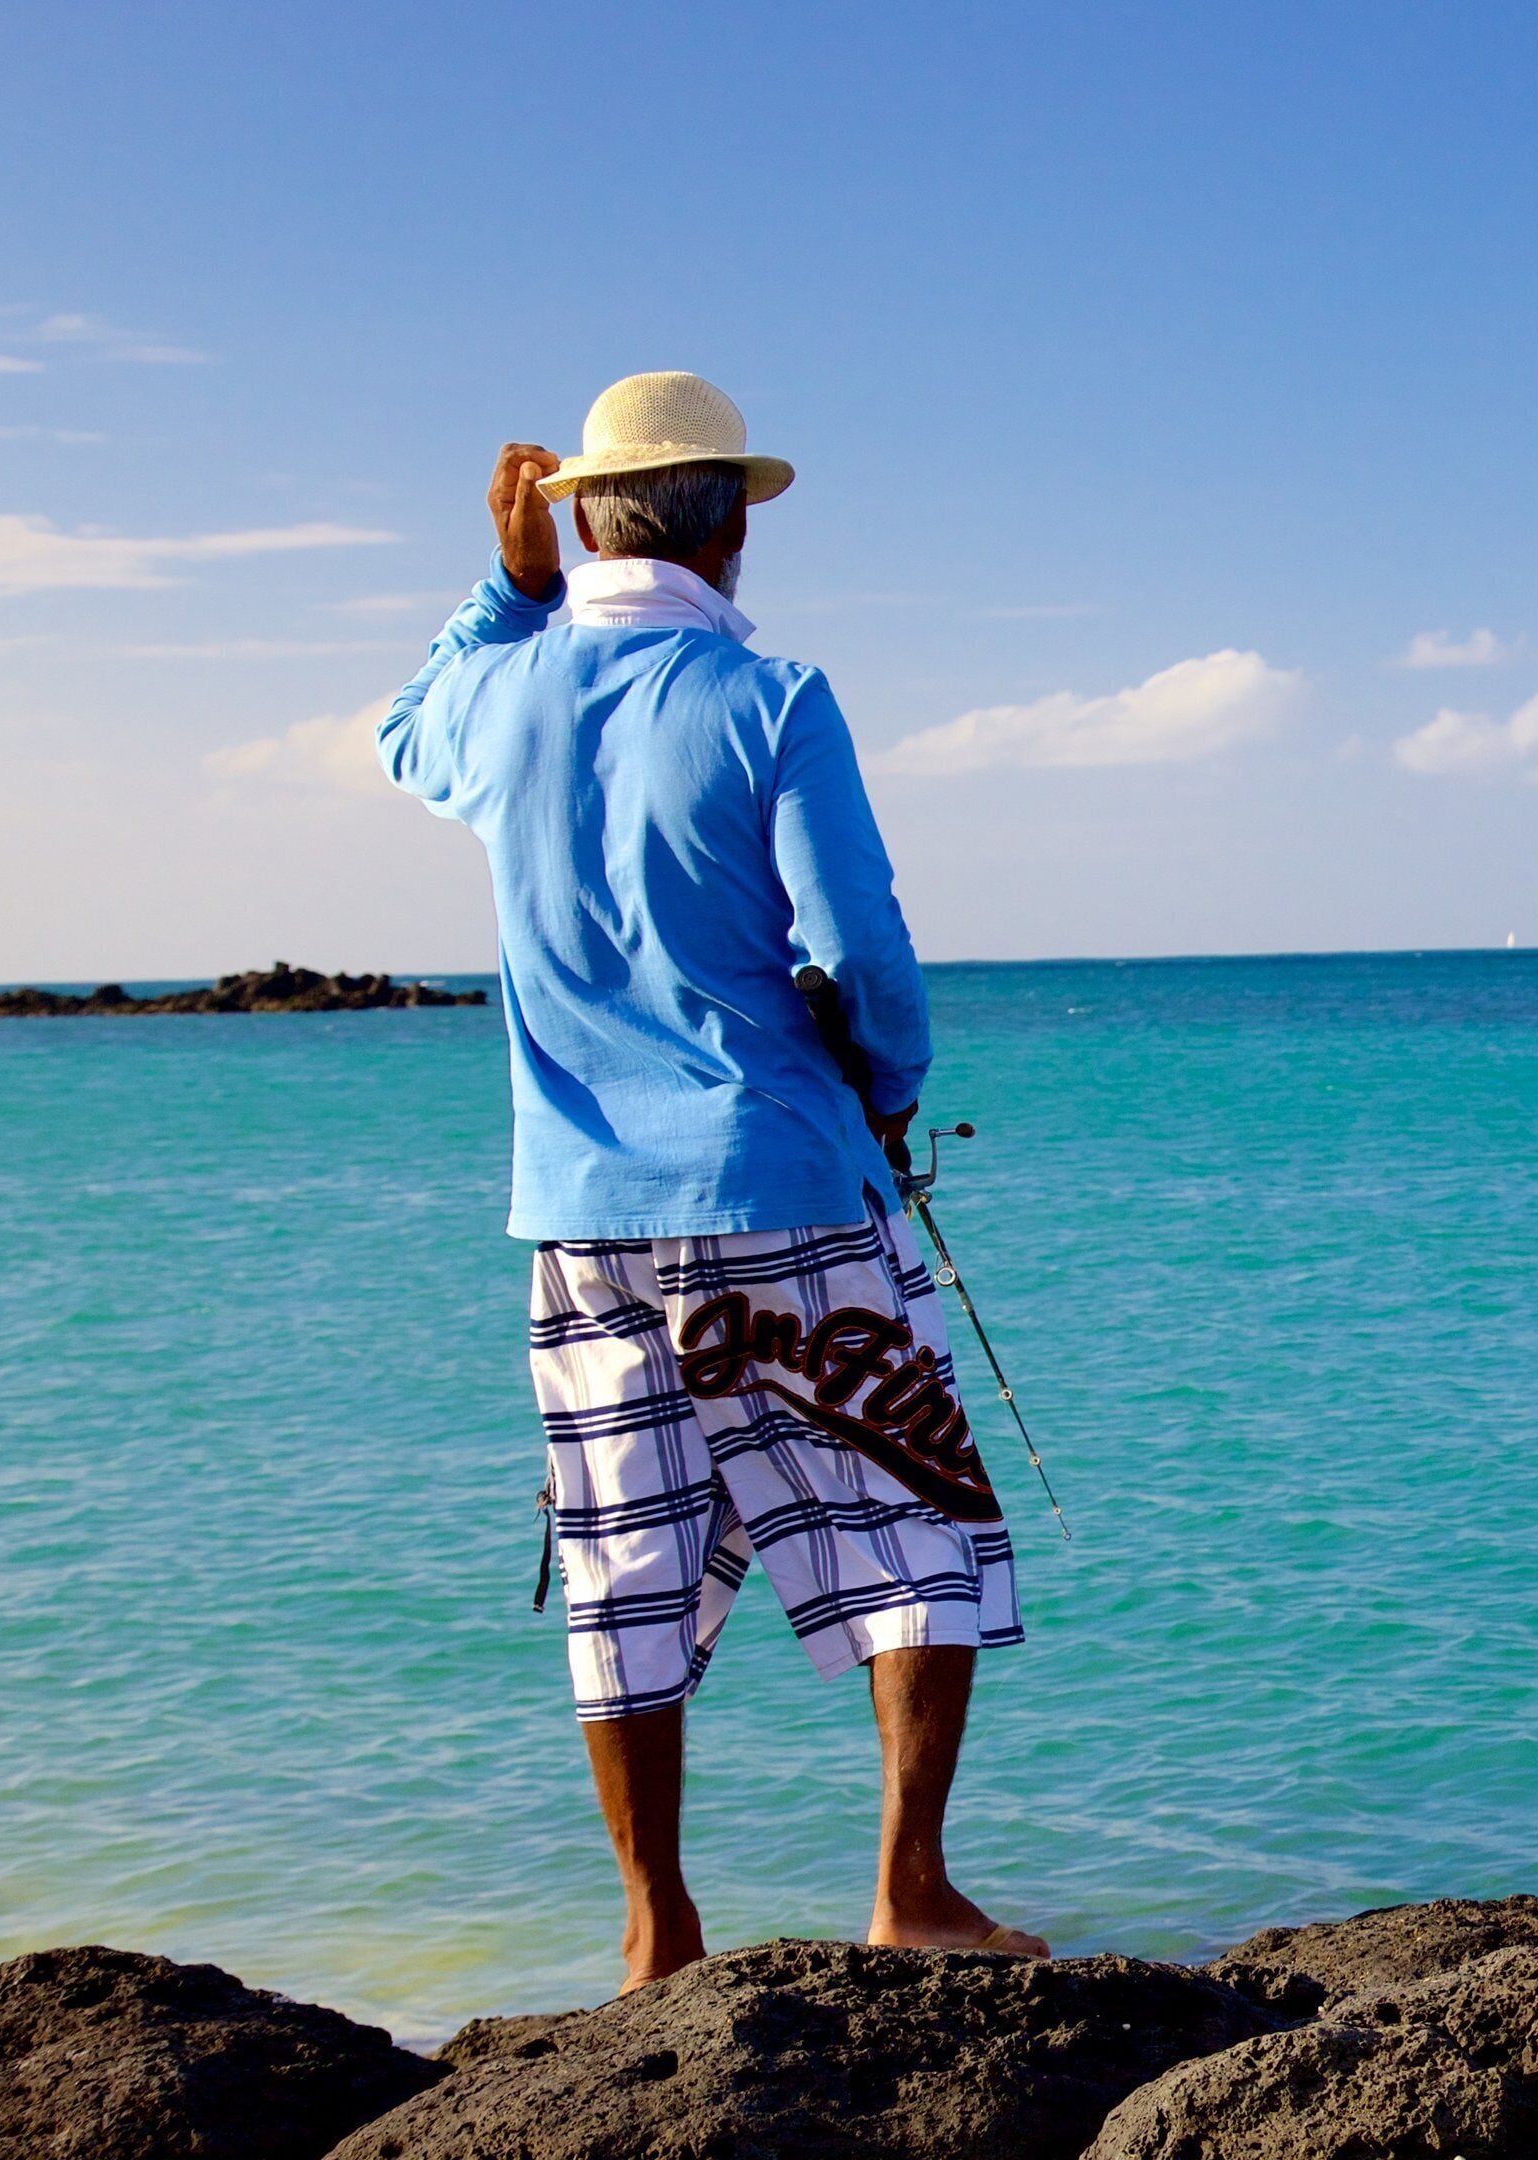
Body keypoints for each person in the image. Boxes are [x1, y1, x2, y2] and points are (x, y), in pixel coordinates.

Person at [379, 371, 1042, 1990]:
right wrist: (883, 1087)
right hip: (788, 1183)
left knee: (621, 1556)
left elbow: (403, 731)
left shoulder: (499, 694)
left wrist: (505, 583)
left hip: (582, 1218)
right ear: (732, 523)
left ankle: (656, 1933)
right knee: (912, 1521)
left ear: (584, 516)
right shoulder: (776, 696)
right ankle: (910, 1892)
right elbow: (862, 949)